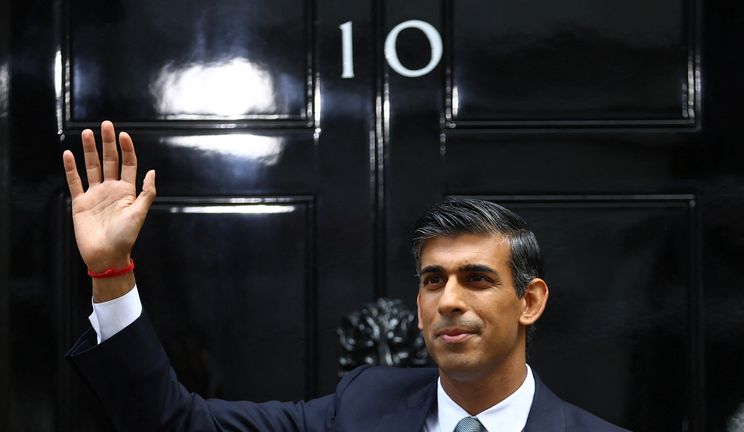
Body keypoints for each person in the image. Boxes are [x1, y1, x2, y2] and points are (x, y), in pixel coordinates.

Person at [63, 121, 629, 431]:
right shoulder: (360, 409)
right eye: (433, 280)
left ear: (529, 301)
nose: (447, 301)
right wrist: (110, 273)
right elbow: (172, 421)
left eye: (476, 278)